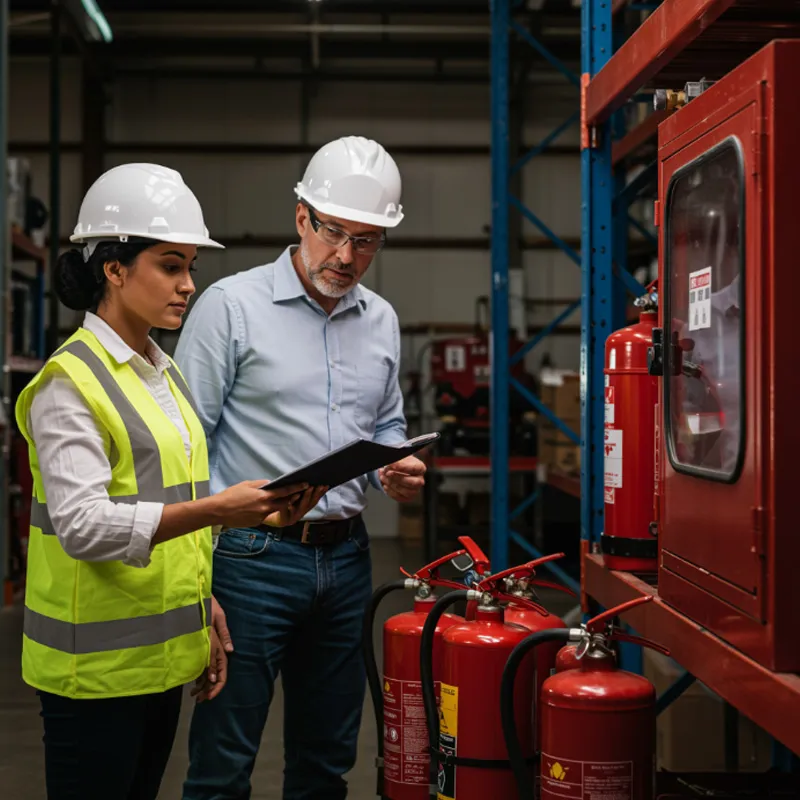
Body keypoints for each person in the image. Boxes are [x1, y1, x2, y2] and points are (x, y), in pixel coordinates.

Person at [15, 163, 322, 800]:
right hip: (92, 677)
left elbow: (171, 502)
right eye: (170, 266)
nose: (188, 285)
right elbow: (84, 527)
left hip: (156, 665)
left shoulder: (163, 373)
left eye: (191, 268)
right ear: (114, 269)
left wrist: (203, 605)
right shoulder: (69, 384)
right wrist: (219, 510)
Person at [175, 136, 427, 800]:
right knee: (223, 762)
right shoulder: (231, 308)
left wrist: (393, 466)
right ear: (301, 218)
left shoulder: (381, 320)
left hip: (346, 561)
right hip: (248, 559)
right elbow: (183, 448)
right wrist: (196, 580)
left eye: (366, 241)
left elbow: (385, 424)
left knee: (326, 763)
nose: (345, 256)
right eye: (333, 232)